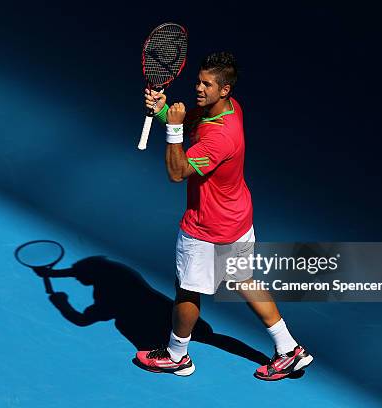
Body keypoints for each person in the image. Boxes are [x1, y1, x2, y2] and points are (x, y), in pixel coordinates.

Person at [133, 52, 313, 381]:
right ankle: (289, 349)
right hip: (237, 218)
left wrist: (172, 129)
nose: (198, 88)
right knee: (243, 279)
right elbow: (194, 123)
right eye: (198, 81)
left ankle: (176, 356)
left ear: (225, 89)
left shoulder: (220, 138)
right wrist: (162, 110)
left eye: (206, 84)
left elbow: (178, 172)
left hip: (208, 227)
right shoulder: (228, 109)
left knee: (187, 289)